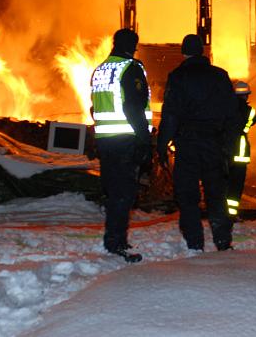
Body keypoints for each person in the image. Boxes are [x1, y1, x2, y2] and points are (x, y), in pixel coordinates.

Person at [156, 33, 238, 251]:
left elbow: (171, 114)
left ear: (184, 52)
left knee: (187, 195)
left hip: (188, 144)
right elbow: (232, 115)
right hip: (214, 143)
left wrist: (162, 145)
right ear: (202, 51)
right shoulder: (220, 76)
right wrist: (230, 147)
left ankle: (195, 242)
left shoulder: (178, 76)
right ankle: (222, 240)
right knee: (216, 193)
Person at [90, 28, 153, 263]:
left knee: (114, 191)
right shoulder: (131, 68)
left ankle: (116, 239)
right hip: (125, 140)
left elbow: (93, 107)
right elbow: (133, 107)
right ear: (132, 46)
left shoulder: (100, 70)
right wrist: (144, 140)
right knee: (123, 193)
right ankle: (115, 243)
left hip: (105, 141)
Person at [226, 80, 256, 219]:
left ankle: (222, 212)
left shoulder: (225, 109)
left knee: (224, 183)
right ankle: (232, 214)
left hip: (225, 153)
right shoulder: (250, 111)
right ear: (247, 95)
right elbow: (253, 120)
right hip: (240, 153)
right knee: (236, 185)